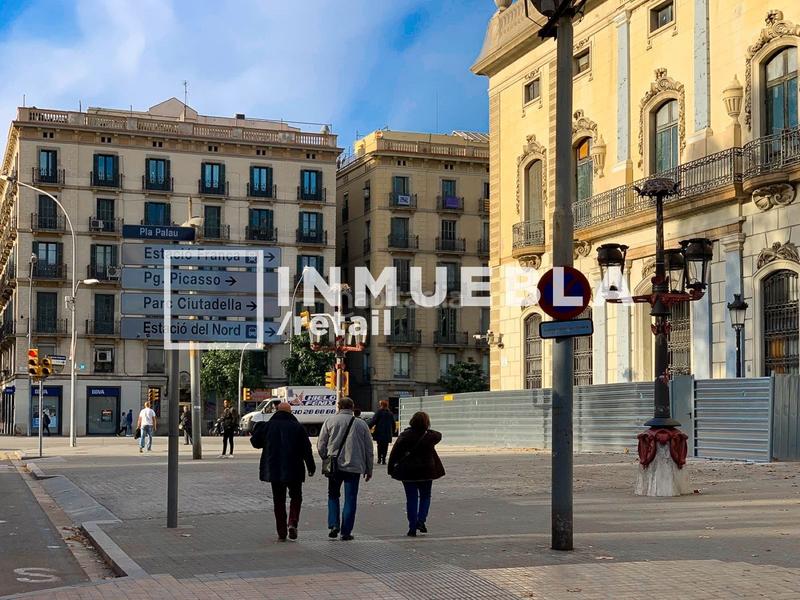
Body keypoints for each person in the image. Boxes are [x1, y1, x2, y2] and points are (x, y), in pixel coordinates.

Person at [251, 402, 315, 541]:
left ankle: (281, 532)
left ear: (276, 411)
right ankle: (292, 522)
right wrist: (311, 467)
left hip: (274, 469)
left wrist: (256, 429)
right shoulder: (298, 427)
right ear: (290, 412)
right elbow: (306, 449)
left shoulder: (268, 426)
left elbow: (256, 443)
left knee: (278, 500)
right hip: (295, 469)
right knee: (296, 497)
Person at [317, 397, 373, 541]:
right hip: (354, 466)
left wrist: (326, 458)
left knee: (333, 495)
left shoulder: (330, 421)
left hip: (334, 466)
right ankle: (346, 531)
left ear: (338, 406)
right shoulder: (361, 424)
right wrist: (369, 468)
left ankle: (333, 524)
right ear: (352, 407)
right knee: (351, 498)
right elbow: (369, 448)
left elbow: (321, 444)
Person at [387, 411, 445, 537]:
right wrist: (426, 428)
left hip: (408, 472)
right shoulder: (430, 436)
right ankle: (421, 520)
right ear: (426, 422)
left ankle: (412, 527)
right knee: (425, 497)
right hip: (426, 471)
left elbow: (394, 453)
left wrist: (391, 468)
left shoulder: (405, 435)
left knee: (411, 499)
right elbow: (439, 435)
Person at [369, 400, 395, 465]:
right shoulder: (390, 413)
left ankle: (379, 459)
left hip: (379, 432)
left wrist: (368, 427)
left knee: (379, 445)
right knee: (385, 446)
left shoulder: (379, 412)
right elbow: (393, 423)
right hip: (387, 433)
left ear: (381, 405)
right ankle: (384, 459)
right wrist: (393, 431)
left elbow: (374, 421)